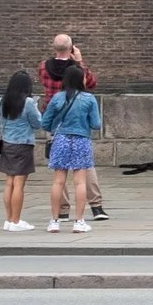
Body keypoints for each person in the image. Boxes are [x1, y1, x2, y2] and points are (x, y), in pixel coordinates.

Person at [42, 36, 109, 222]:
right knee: (86, 168)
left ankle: (62, 211)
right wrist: (79, 61)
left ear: (53, 47)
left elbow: (47, 86)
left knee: (59, 170)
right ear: (72, 48)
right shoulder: (77, 70)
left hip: (57, 123)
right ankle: (96, 207)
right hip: (79, 124)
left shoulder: (43, 67)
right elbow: (91, 84)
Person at [41, 65, 102, 232]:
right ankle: (79, 221)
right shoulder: (89, 99)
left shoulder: (57, 98)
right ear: (80, 79)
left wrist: (56, 128)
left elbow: (44, 122)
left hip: (61, 140)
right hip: (81, 140)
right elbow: (96, 124)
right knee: (80, 182)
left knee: (58, 182)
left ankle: (54, 221)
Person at [0, 70, 43, 231]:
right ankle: (16, 221)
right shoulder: (28, 102)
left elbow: (1, 123)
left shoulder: (0, 102)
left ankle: (9, 219)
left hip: (7, 144)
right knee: (19, 184)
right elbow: (38, 123)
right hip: (23, 144)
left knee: (9, 182)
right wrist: (36, 106)